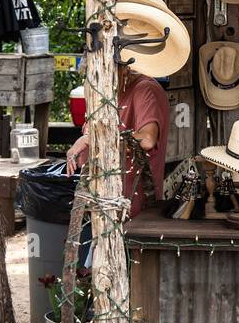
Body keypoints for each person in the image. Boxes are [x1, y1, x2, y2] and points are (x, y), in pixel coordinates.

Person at [65, 61, 170, 218]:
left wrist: (94, 140)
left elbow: (147, 139)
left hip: (130, 207)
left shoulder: (144, 88)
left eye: (100, 75)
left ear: (123, 69)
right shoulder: (104, 94)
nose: (96, 82)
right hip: (100, 200)